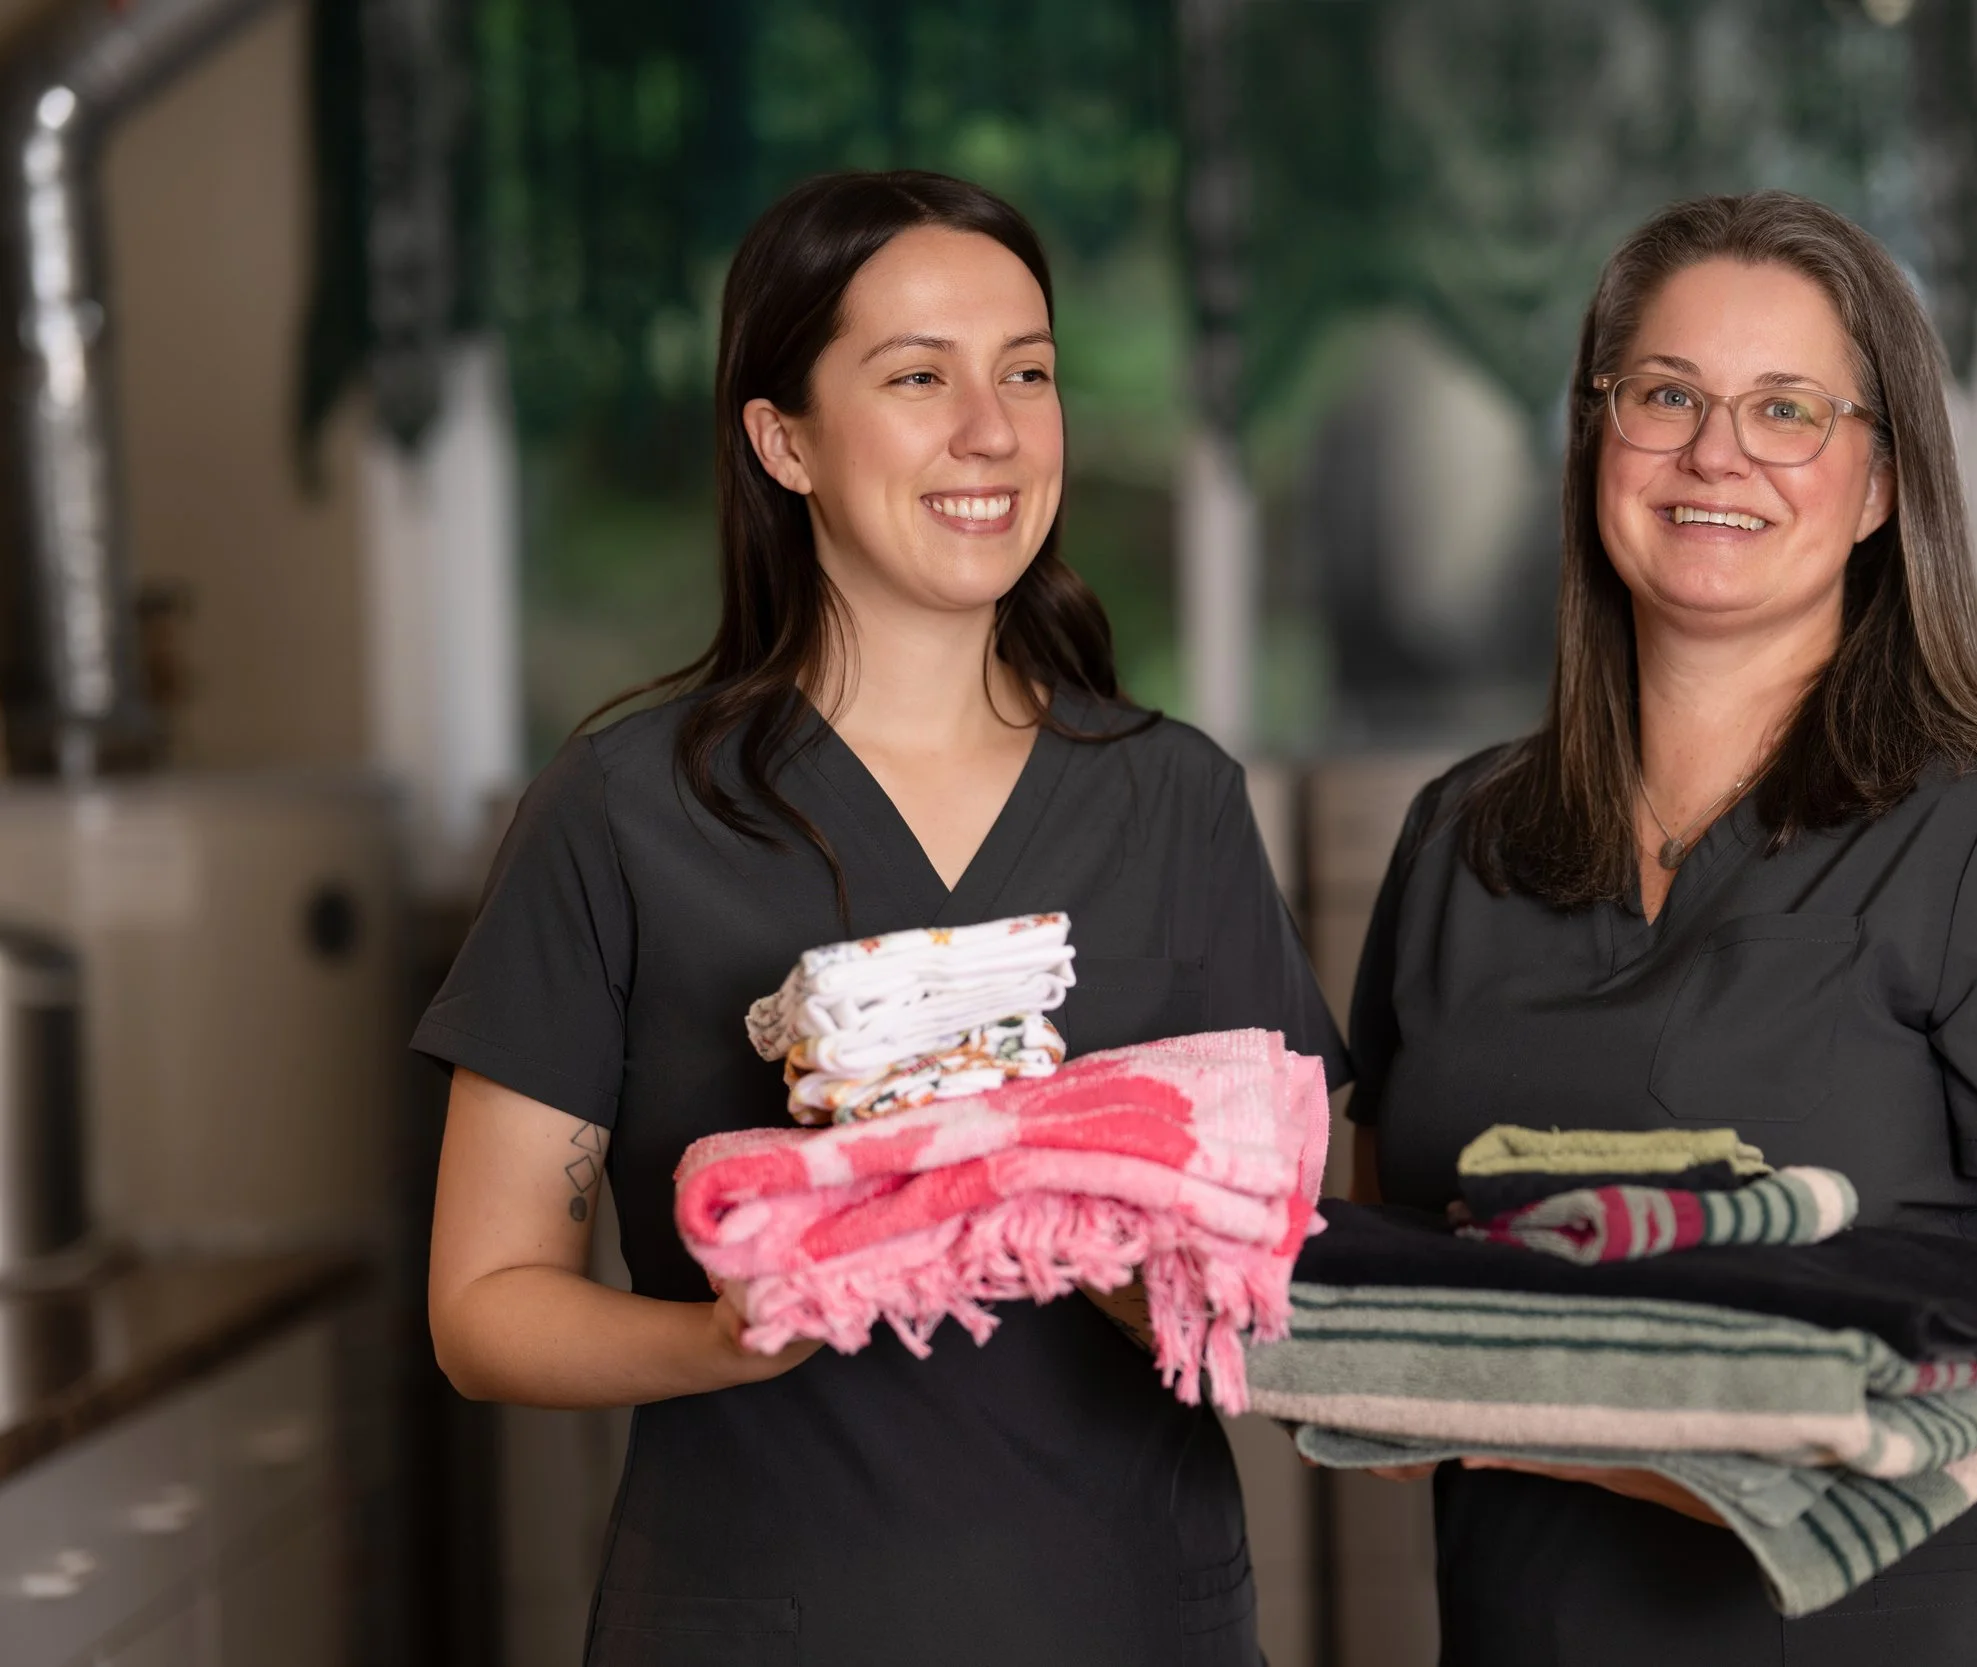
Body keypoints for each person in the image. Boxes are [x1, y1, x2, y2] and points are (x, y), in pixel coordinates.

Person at [421, 170, 1343, 1667]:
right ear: (782, 439)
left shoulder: (1175, 802)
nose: (992, 429)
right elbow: (484, 1305)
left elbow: (1285, 1274)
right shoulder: (624, 811)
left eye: (1028, 373)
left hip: (1128, 1620)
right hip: (762, 1619)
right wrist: (726, 1336)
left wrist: (1113, 1243)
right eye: (918, 376)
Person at [1343, 190, 1977, 1665]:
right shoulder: (1458, 841)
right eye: (1667, 395)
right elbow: (1397, 1266)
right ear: (1592, 439)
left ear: (1878, 484)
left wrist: (1842, 1458)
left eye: (1788, 410)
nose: (1716, 454)